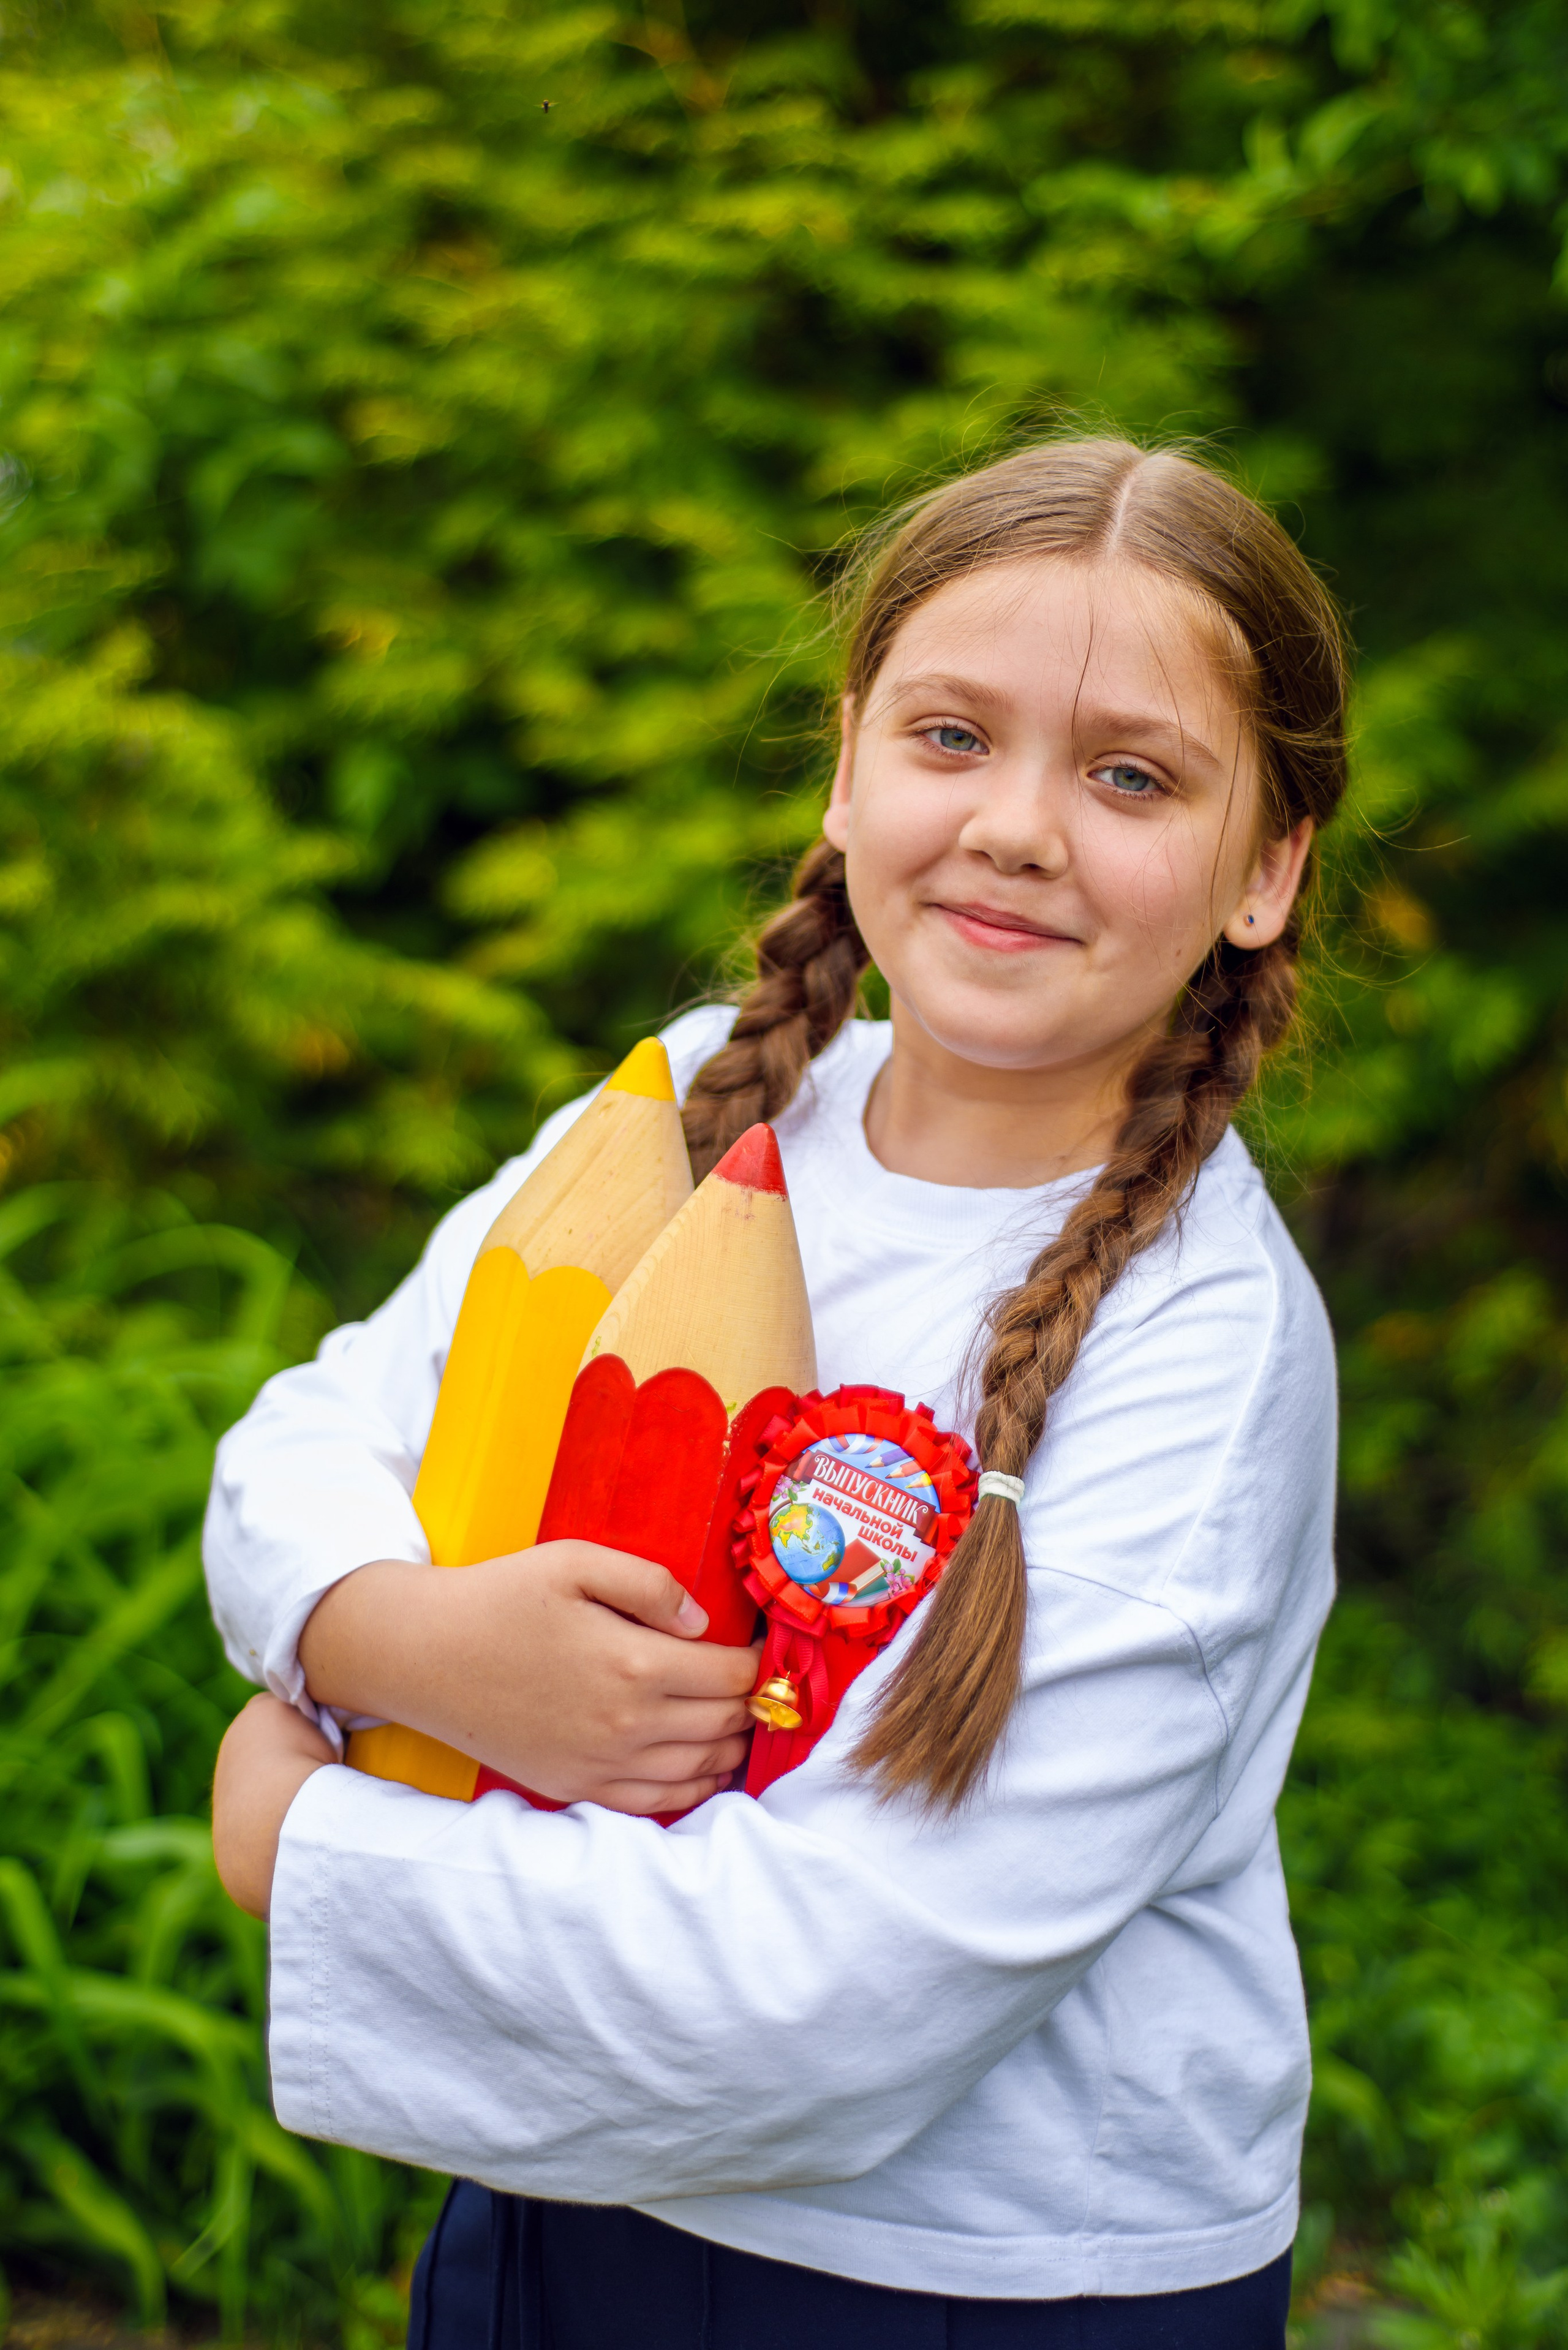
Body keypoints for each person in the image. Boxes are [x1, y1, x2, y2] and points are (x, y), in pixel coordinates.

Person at [206, 437, 1343, 2350]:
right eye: (952, 737)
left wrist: (309, 1844)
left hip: (977, 2282)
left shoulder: (1203, 1352)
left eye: (1131, 776)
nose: (1017, 827)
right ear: (846, 766)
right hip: (562, 2198)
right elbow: (318, 1438)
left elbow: (833, 1995)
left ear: (1266, 867)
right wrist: (393, 1632)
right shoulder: (692, 1104)